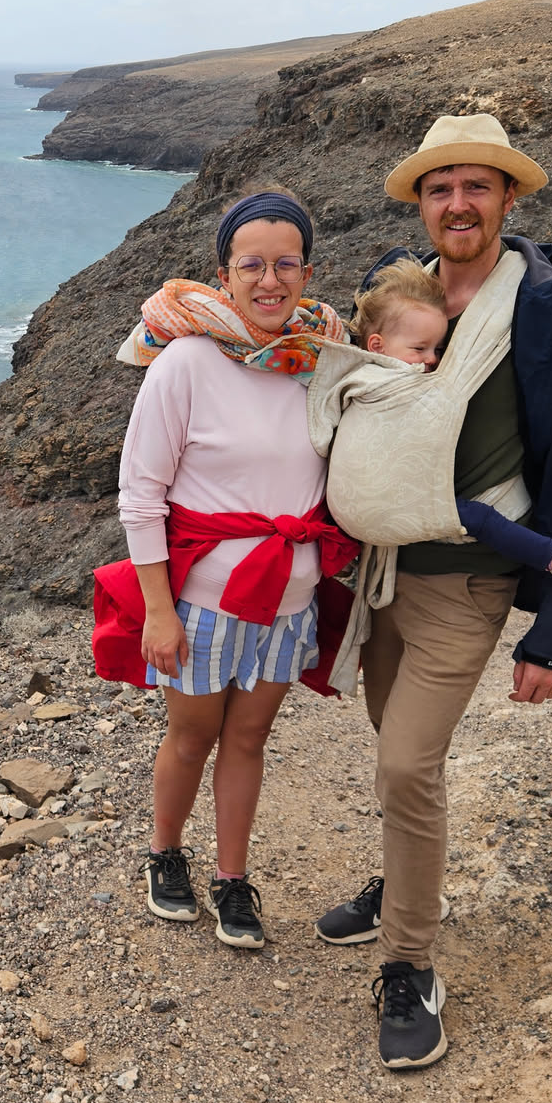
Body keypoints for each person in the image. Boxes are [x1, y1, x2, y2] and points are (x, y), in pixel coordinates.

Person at [314, 113, 552, 1070]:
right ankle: (405, 881)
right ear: (421, 204)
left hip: (467, 583)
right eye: (440, 187)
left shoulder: (545, 313)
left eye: (476, 186)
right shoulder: (401, 298)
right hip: (383, 580)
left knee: (406, 767)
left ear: (508, 198)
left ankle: (410, 964)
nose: (457, 203)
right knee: (395, 750)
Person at [90, 190, 357, 950]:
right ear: (225, 274)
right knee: (192, 736)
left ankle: (232, 878)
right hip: (203, 605)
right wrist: (159, 611)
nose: (270, 281)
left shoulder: (322, 364)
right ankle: (164, 853)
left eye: (285, 264)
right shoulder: (186, 363)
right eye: (252, 266)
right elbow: (140, 496)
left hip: (290, 603)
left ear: (307, 273)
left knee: (249, 739)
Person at [350, 255, 552, 599]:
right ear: (377, 345)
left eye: (437, 348)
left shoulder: (358, 375)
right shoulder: (377, 384)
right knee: (480, 518)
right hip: (395, 498)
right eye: (420, 348)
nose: (433, 359)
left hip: (391, 502)